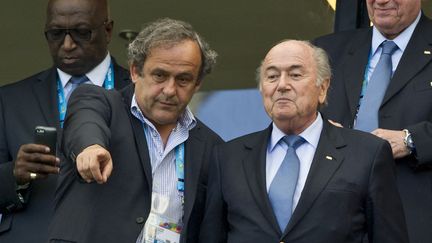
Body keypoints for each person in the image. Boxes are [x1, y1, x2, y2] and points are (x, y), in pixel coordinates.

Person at [199, 40, 409, 243]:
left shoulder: (366, 153)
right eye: (272, 76)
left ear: (323, 88)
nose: (282, 85)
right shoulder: (228, 157)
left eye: (295, 74)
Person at [48, 18, 223, 243]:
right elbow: (86, 121)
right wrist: (90, 147)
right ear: (134, 71)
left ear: (197, 84)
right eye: (160, 75)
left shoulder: (212, 146)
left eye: (183, 79)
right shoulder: (100, 101)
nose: (170, 90)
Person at [0, 0, 130, 242]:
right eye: (56, 34)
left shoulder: (138, 93)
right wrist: (14, 175)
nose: (67, 45)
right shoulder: (10, 100)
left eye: (82, 32)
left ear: (108, 30)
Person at [313, 1, 432, 242]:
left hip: (414, 218)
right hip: (331, 220)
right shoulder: (324, 51)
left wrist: (411, 140)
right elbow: (293, 117)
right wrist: (317, 131)